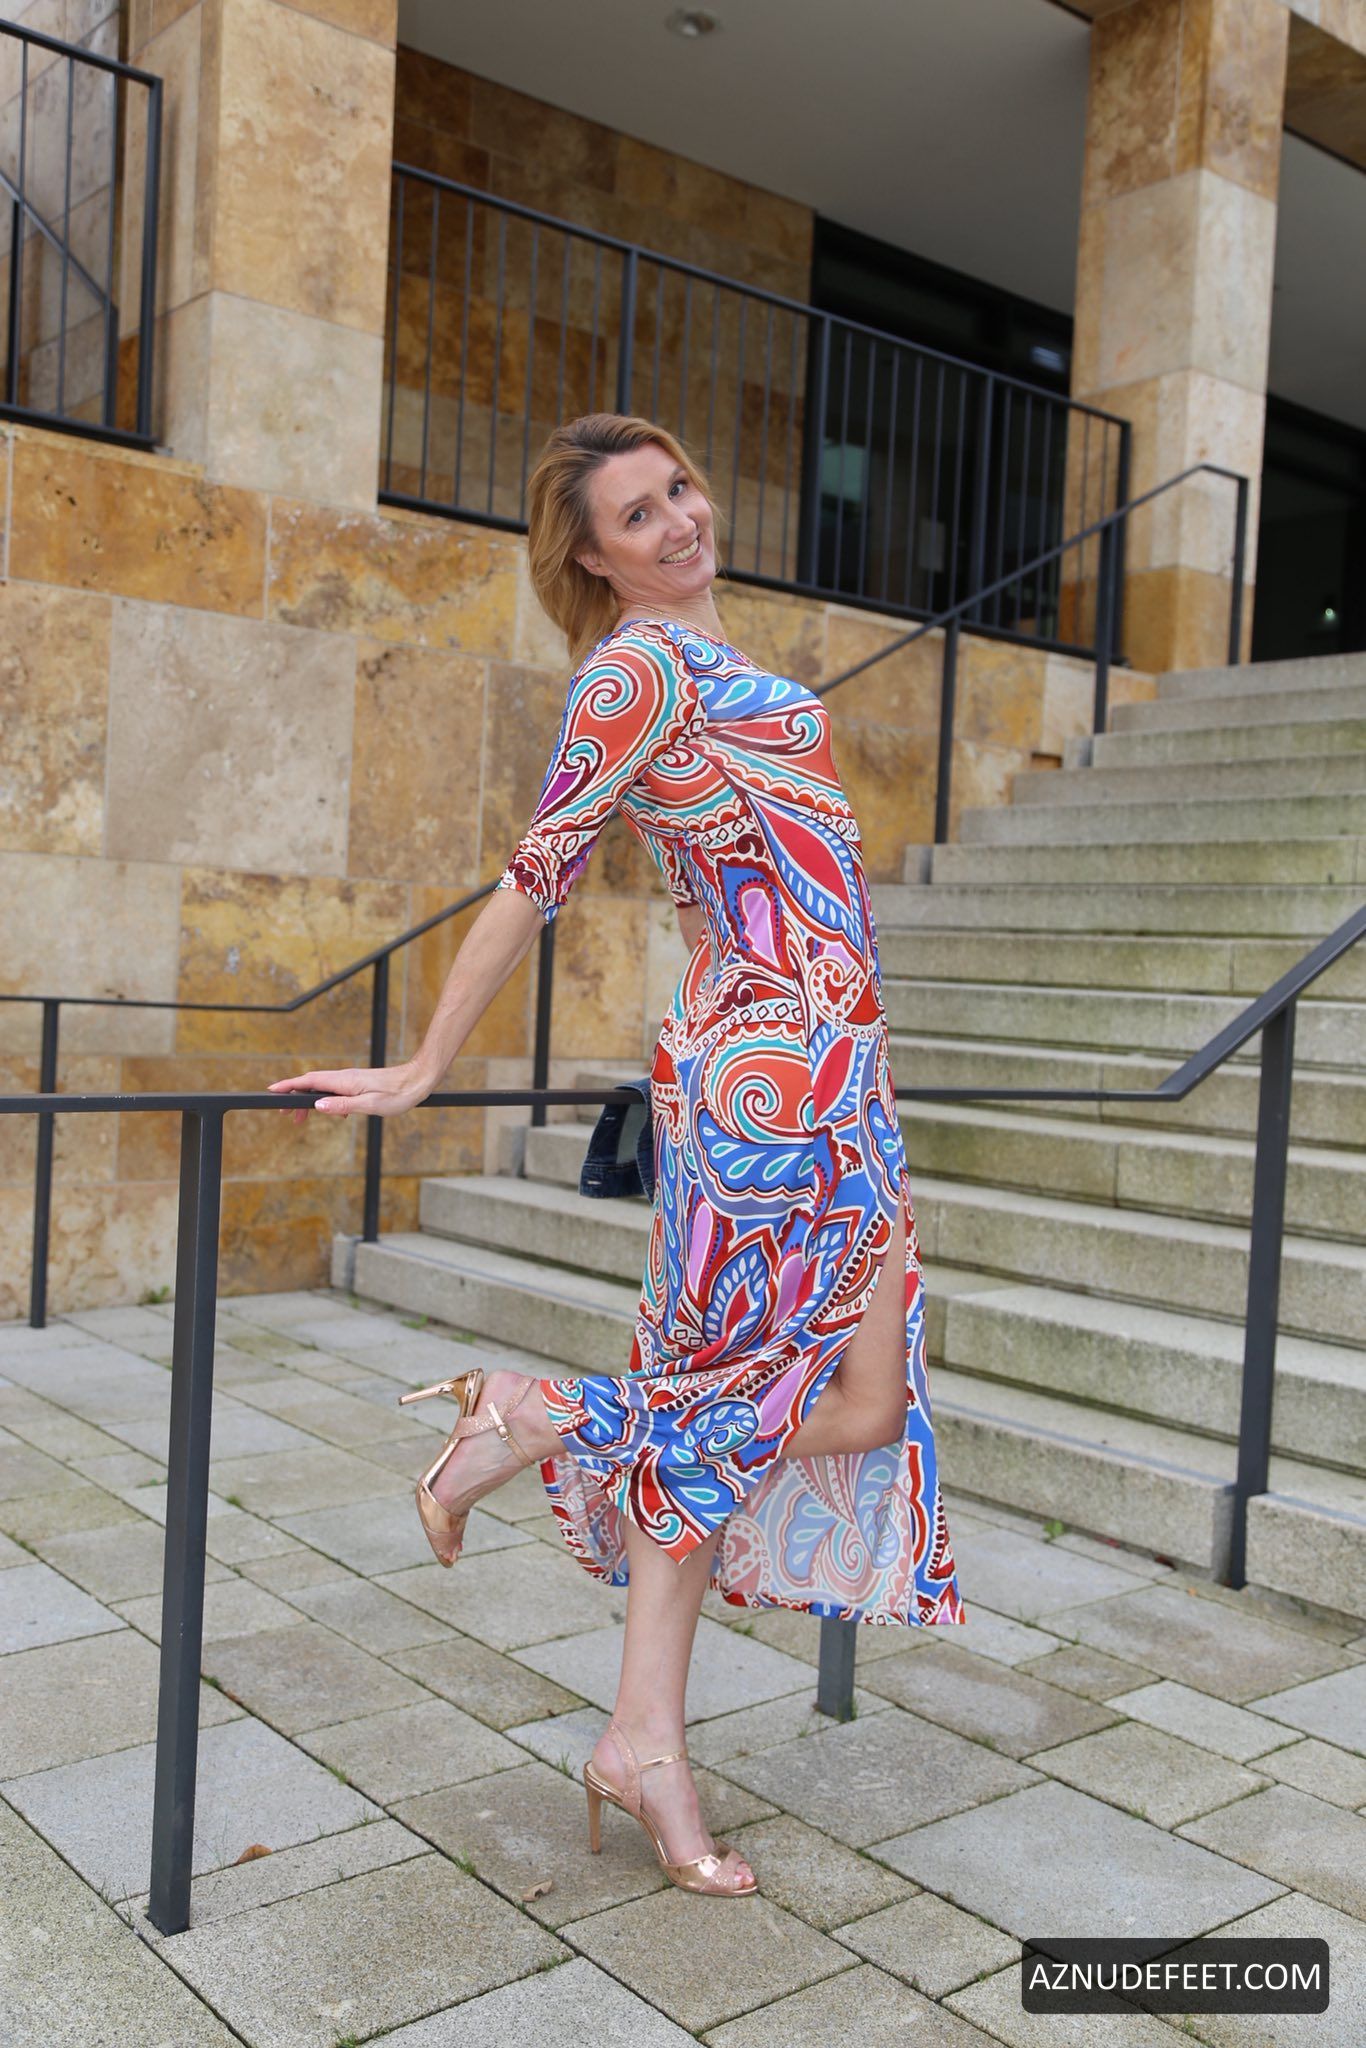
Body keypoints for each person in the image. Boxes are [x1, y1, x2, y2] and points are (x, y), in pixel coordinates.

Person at [269, 411, 965, 1899]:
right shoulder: (632, 671)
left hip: (833, 1063)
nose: (679, 521)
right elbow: (538, 874)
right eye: (637, 516)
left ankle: (636, 1715)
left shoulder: (711, 662)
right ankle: (535, 1424)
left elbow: (764, 875)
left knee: (839, 1402)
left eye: (679, 490)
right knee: (814, 1397)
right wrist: (425, 1063)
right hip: (770, 1082)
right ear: (591, 558)